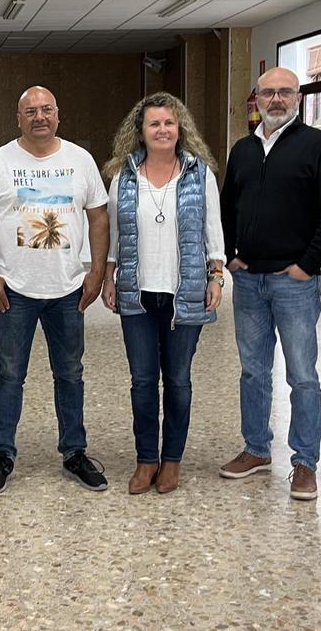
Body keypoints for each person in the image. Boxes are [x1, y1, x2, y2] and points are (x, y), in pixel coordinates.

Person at [0, 86, 111, 495]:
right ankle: (3, 453)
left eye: (46, 109)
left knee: (70, 373)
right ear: (18, 118)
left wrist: (96, 271)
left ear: (58, 115)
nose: (39, 117)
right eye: (31, 111)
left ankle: (74, 452)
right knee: (9, 374)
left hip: (67, 289)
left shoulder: (80, 160)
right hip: (14, 291)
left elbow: (99, 219)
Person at [218, 67, 321, 501]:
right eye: (268, 93)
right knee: (253, 371)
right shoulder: (243, 149)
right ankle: (256, 449)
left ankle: (305, 462)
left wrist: (307, 266)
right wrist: (232, 253)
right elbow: (227, 207)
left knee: (302, 376)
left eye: (285, 92)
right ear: (255, 98)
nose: (276, 99)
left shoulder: (320, 147)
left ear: (299, 97)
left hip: (293, 283)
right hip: (249, 280)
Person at [100, 92, 225, 495]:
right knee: (141, 381)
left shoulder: (198, 173)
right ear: (140, 131)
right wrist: (108, 275)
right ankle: (145, 460)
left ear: (180, 128)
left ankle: (171, 460)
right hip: (137, 293)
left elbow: (212, 228)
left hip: (183, 292)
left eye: (169, 123)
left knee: (178, 381)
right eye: (154, 124)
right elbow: (116, 234)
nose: (162, 130)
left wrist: (216, 274)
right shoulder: (124, 175)